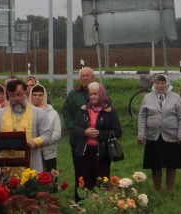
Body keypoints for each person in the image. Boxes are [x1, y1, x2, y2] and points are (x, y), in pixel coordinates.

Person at [0, 79, 53, 173]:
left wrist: (34, 141)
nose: (16, 99)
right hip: (6, 165)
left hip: (30, 164)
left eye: (19, 95)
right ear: (7, 96)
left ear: (26, 93)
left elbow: (47, 135)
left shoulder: (39, 114)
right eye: (12, 96)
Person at [136, 74, 181, 191]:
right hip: (153, 136)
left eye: (162, 83)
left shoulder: (175, 97)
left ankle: (169, 189)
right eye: (158, 83)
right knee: (155, 165)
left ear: (167, 84)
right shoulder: (148, 97)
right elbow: (142, 117)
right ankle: (157, 189)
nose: (160, 85)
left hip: (171, 135)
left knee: (172, 164)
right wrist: (141, 134)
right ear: (155, 84)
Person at [71, 81, 123, 190]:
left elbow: (118, 132)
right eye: (91, 94)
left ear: (102, 94)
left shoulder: (110, 111)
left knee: (101, 182)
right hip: (85, 151)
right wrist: (85, 132)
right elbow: (75, 128)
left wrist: (100, 133)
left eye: (95, 94)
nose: (93, 96)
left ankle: (100, 204)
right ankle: (86, 204)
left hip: (102, 152)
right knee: (86, 182)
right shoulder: (84, 109)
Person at [63, 67, 95, 197]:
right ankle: (79, 199)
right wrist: (74, 129)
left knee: (94, 169)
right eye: (82, 76)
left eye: (87, 76)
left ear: (93, 77)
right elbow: (66, 112)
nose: (85, 78)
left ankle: (96, 198)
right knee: (79, 170)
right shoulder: (73, 94)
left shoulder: (100, 92)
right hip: (78, 139)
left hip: (95, 139)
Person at [30, 85, 62, 174]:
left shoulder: (52, 113)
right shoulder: (27, 112)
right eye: (35, 95)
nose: (37, 98)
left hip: (49, 153)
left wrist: (43, 141)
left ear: (44, 96)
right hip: (31, 152)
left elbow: (57, 132)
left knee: (50, 179)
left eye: (40, 95)